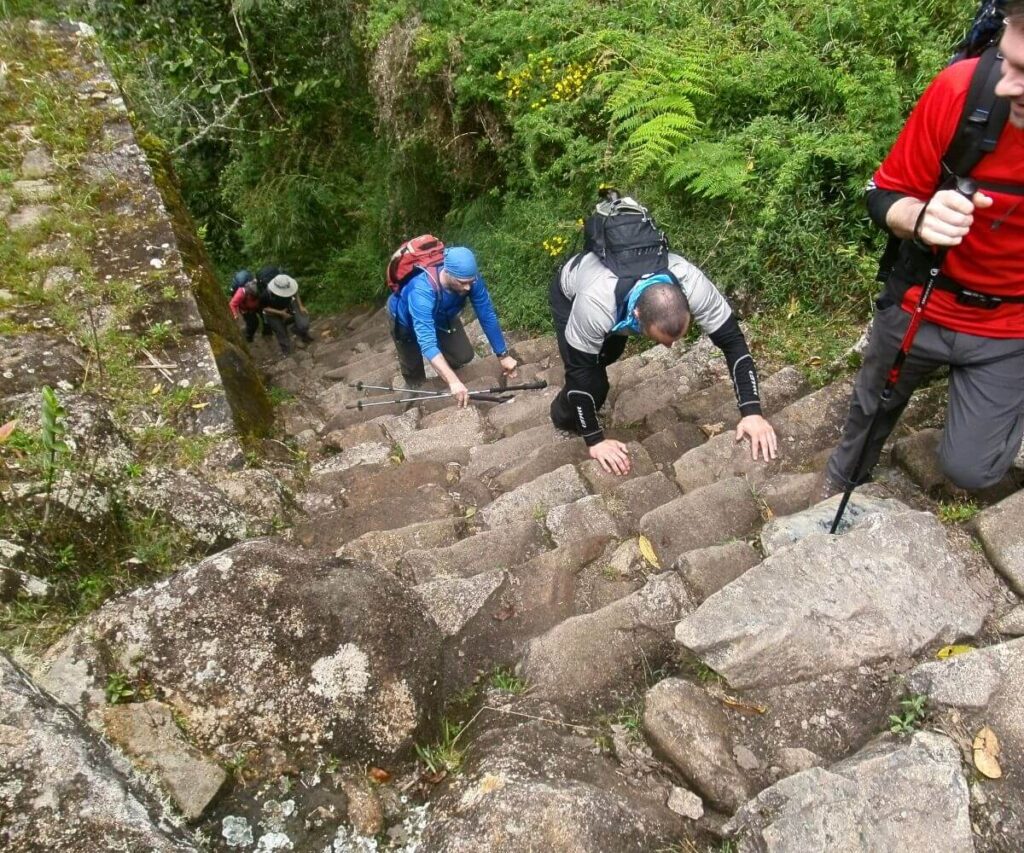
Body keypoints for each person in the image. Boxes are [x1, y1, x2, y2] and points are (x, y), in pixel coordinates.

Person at [821, 4, 1024, 499]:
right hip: (922, 303)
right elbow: (881, 193)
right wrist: (918, 217)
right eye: (1007, 62)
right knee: (869, 412)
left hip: (1010, 329)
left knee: (972, 472)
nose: (1003, 84)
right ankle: (842, 485)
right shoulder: (962, 90)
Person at [550, 224, 778, 475]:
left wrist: (752, 412)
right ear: (637, 316)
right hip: (571, 294)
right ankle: (562, 416)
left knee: (608, 357)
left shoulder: (691, 283)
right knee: (591, 380)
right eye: (662, 340)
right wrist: (595, 441)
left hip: (619, 302)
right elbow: (577, 370)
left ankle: (592, 393)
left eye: (677, 338)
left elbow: (734, 342)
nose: (671, 346)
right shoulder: (596, 305)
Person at [387, 246, 518, 406]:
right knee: (416, 377)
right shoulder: (421, 290)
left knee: (464, 356)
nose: (468, 287)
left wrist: (503, 355)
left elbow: (487, 315)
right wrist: (453, 381)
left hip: (442, 316)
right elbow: (427, 342)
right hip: (405, 322)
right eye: (463, 283)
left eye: (471, 282)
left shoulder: (470, 279)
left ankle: (444, 369)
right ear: (447, 273)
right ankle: (415, 401)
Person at [260, 274, 314, 355]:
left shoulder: (289, 285)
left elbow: (295, 293)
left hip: (288, 306)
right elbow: (265, 308)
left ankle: (303, 335)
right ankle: (287, 352)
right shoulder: (265, 295)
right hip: (272, 314)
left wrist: (300, 306)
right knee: (281, 332)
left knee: (303, 323)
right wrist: (281, 313)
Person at [229, 277, 264, 343]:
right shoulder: (240, 293)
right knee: (254, 323)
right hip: (246, 310)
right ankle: (249, 337)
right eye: (253, 295)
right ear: (249, 292)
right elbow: (232, 304)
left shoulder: (256, 286)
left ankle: (266, 332)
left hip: (257, 306)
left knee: (264, 318)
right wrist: (235, 314)